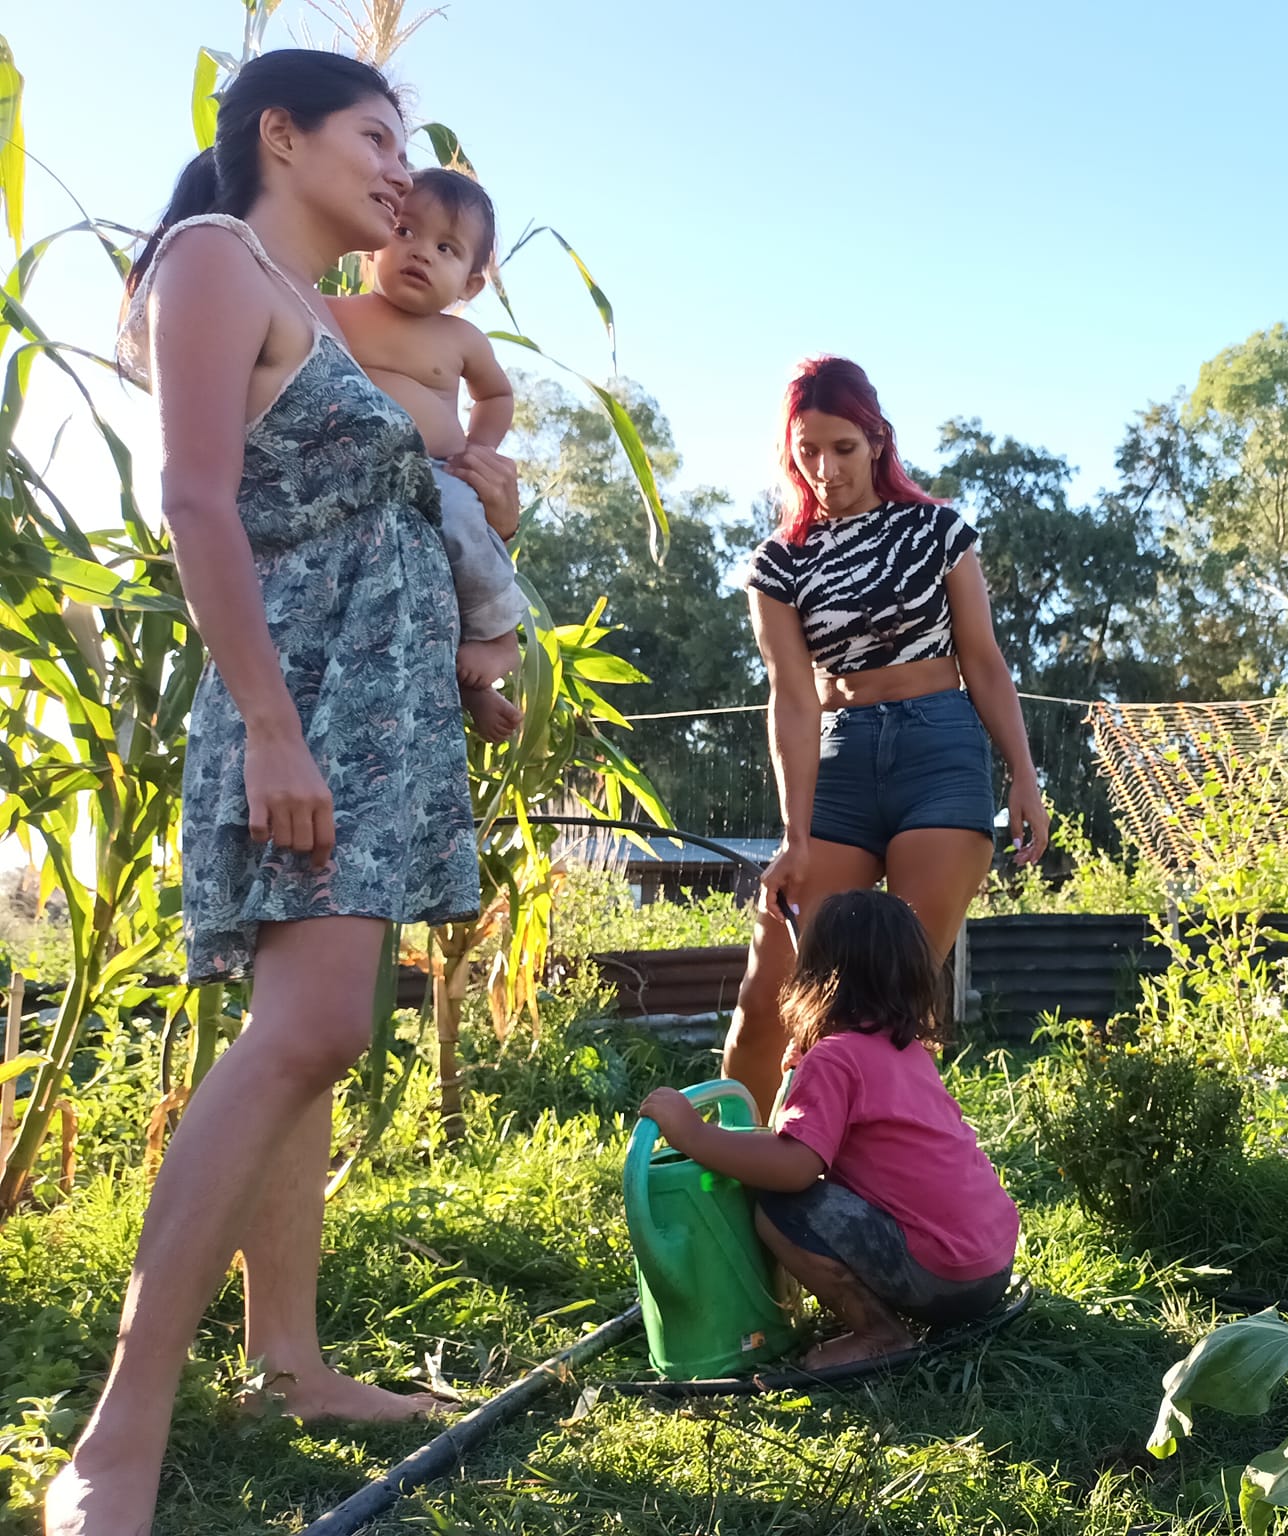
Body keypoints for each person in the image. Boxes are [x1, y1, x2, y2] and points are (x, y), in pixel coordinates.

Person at [48, 50, 516, 1536]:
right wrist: (270, 729)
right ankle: (116, 1436)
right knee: (310, 1030)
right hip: (298, 705)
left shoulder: (323, 312)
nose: (398, 171)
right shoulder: (212, 257)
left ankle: (287, 1363)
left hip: (377, 714)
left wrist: (468, 650)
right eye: (375, 137)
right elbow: (196, 499)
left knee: (308, 1043)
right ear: (282, 134)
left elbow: (377, 515)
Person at [725, 356, 1051, 1109]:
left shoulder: (937, 531)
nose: (826, 469)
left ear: (876, 441)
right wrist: (794, 837)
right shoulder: (778, 563)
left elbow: (983, 662)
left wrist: (1024, 776)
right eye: (808, 451)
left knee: (888, 1008)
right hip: (838, 763)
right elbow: (792, 697)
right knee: (769, 993)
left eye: (843, 447)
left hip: (940, 754)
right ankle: (729, 1161)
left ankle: (865, 1172)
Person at [642, 889, 1019, 1368]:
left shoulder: (835, 1059)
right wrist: (799, 1078)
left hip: (941, 1279)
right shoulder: (909, 1052)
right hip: (990, 1269)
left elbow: (795, 1167)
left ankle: (881, 1334)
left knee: (782, 1208)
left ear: (817, 977)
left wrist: (694, 1135)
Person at [332, 168, 526, 742]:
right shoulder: (333, 313)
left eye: (446, 248)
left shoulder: (461, 339)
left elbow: (496, 395)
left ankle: (498, 638)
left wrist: (479, 450)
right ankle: (472, 687)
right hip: (361, 480)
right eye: (405, 231)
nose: (420, 252)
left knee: (464, 524)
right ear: (372, 246)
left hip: (436, 474)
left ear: (470, 285)